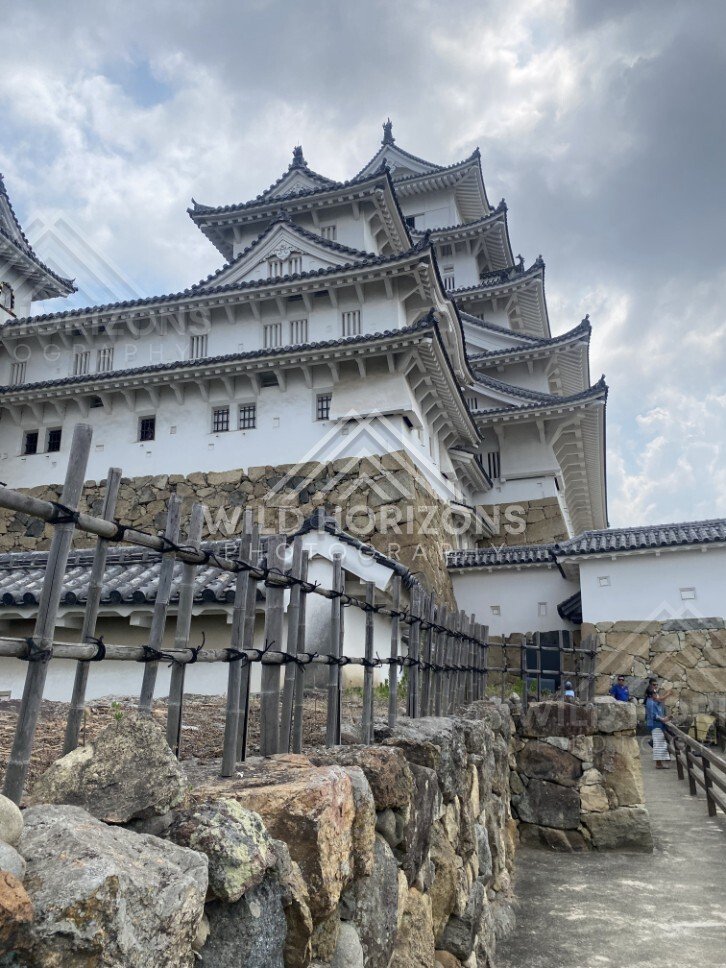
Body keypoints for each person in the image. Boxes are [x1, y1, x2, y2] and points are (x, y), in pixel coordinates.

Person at [645, 683, 671, 769]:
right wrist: (663, 719)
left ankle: (659, 763)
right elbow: (654, 715)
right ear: (651, 694)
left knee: (659, 744)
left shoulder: (652, 701)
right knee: (658, 744)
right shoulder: (651, 703)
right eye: (654, 693)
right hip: (656, 725)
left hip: (657, 725)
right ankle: (658, 764)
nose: (656, 695)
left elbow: (660, 700)